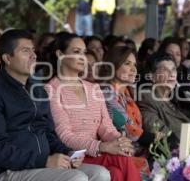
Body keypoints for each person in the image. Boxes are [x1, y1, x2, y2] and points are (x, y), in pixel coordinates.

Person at [0, 29, 110, 181]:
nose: (33, 55)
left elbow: (49, 134)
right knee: (76, 177)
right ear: (7, 58)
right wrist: (44, 160)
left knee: (100, 173)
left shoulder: (38, 91)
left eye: (33, 50)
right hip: (10, 170)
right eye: (25, 51)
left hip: (41, 165)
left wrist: (68, 153)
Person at [44, 32, 141, 181]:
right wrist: (102, 146)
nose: (82, 57)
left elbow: (106, 126)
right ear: (60, 54)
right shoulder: (51, 89)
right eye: (76, 52)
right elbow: (64, 135)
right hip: (75, 156)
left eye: (84, 52)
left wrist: (119, 141)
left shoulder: (93, 88)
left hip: (98, 153)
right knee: (122, 160)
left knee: (116, 171)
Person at [99, 46, 160, 177]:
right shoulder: (106, 92)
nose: (133, 69)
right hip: (117, 153)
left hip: (135, 152)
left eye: (134, 65)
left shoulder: (126, 92)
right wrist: (155, 138)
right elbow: (126, 125)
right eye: (127, 63)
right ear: (113, 66)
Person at [137, 54, 190, 149]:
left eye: (173, 69)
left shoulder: (186, 96)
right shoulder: (146, 98)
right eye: (165, 70)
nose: (171, 74)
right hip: (175, 153)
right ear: (152, 77)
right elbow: (160, 131)